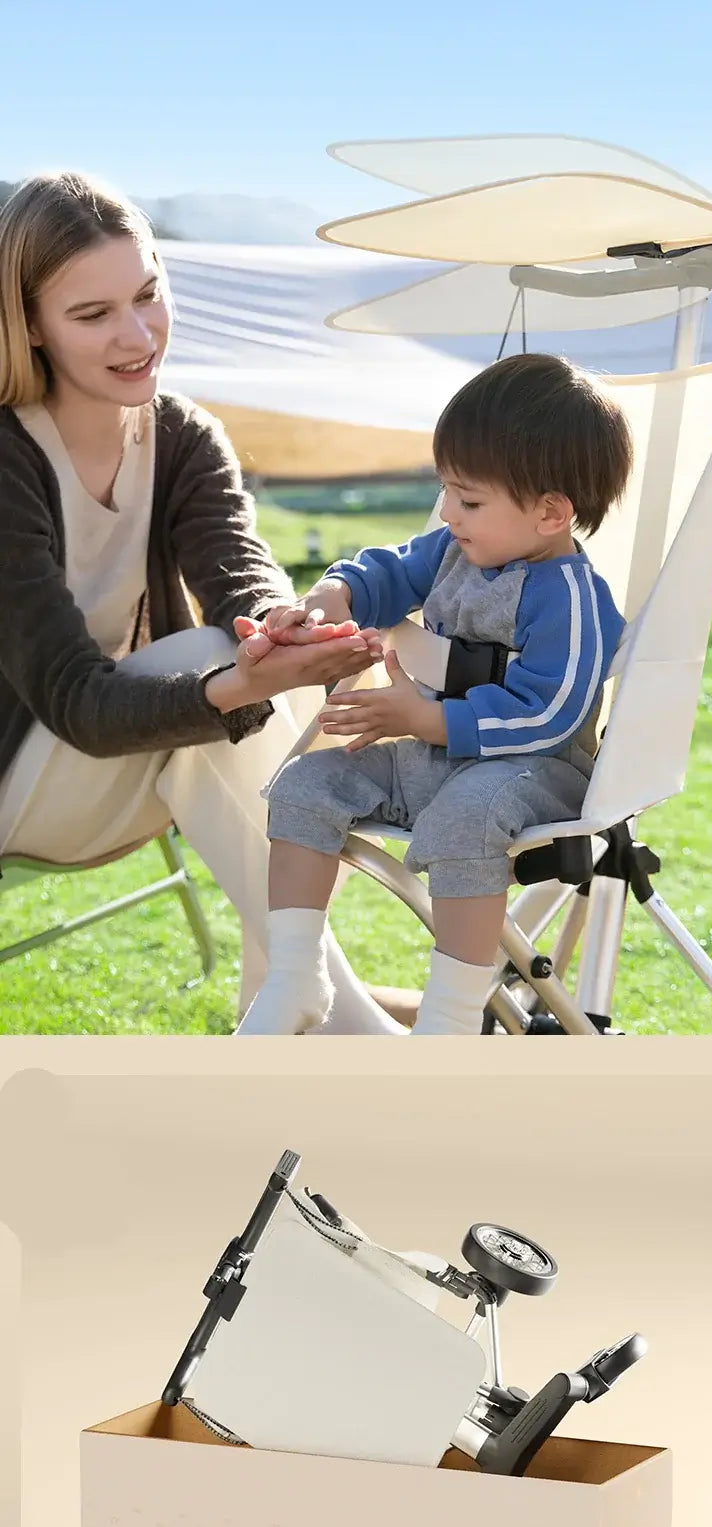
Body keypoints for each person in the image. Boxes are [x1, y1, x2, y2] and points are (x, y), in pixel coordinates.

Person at [0, 170, 402, 1034]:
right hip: (23, 780)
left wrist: (276, 629)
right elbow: (77, 700)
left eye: (148, 294)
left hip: (135, 764)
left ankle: (298, 1012)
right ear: (30, 324)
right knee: (209, 674)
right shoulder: (6, 460)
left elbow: (238, 576)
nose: (139, 334)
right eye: (93, 313)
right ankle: (346, 1030)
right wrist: (233, 683)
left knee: (241, 665)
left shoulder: (182, 436)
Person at [239, 353, 633, 1036]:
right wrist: (330, 597)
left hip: (535, 773)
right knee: (305, 785)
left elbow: (550, 711)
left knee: (466, 818)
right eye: (446, 489)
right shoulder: (455, 549)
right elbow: (386, 573)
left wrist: (429, 718)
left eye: (469, 498)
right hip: (433, 758)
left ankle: (449, 1020)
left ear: (550, 512)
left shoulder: (570, 596)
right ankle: (296, 976)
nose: (448, 511)